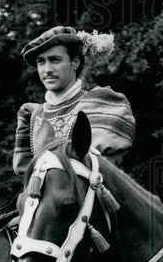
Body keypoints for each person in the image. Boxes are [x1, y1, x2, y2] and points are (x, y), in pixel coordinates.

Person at [14, 25, 135, 174]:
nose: (47, 70)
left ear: (75, 62)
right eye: (41, 62)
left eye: (55, 60)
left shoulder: (100, 105)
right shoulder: (33, 116)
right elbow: (28, 176)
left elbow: (104, 171)